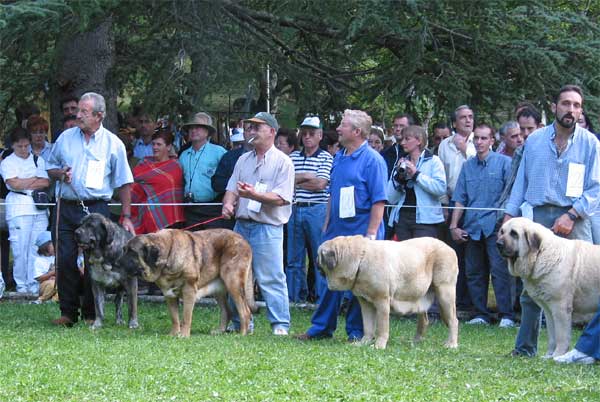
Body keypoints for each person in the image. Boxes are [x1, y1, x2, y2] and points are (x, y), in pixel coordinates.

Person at [505, 85, 600, 357]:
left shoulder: (590, 143)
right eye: (566, 104)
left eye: (577, 105)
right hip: (536, 220)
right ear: (555, 107)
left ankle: (583, 350)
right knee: (531, 289)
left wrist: (571, 215)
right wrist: (511, 215)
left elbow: (596, 188)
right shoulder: (534, 141)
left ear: (581, 110)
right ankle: (525, 348)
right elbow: (520, 182)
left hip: (575, 216)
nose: (571, 110)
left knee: (589, 280)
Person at [295, 109, 387, 342]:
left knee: (361, 285)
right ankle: (321, 328)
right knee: (328, 281)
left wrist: (372, 234)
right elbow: (332, 195)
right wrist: (327, 225)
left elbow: (379, 201)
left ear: (356, 132)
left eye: (343, 125)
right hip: (337, 233)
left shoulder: (373, 160)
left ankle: (357, 333)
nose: (337, 129)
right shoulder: (339, 156)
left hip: (362, 233)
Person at [46, 92, 134, 327]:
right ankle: (67, 312)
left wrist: (126, 215)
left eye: (84, 112)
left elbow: (125, 182)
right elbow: (50, 168)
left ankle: (90, 313)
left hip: (96, 211)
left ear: (99, 115)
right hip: (66, 207)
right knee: (64, 260)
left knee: (94, 261)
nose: (78, 115)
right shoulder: (65, 137)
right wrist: (60, 174)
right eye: (79, 111)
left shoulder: (113, 144)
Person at [222, 112, 294, 336]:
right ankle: (241, 323)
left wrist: (254, 195)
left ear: (272, 132)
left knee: (271, 277)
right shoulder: (243, 159)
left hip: (268, 228)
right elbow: (231, 188)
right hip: (241, 227)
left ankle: (280, 325)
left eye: (257, 128)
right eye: (249, 127)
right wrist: (228, 204)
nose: (250, 132)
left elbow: (282, 198)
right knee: (235, 276)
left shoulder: (283, 162)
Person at [450, 124, 515, 327]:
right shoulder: (468, 166)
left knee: (500, 272)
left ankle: (507, 315)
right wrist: (453, 226)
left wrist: (505, 225)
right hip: (472, 226)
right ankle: (481, 314)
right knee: (474, 272)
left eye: (484, 138)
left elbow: (511, 196)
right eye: (476, 138)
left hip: (496, 226)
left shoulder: (505, 163)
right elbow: (459, 198)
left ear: (492, 141)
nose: (479, 142)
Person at [287, 116, 333, 303]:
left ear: (320, 135)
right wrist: (306, 176)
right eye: (304, 133)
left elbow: (321, 184)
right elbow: (283, 181)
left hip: (317, 209)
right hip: (295, 208)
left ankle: (322, 298)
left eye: (312, 133)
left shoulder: (326, 157)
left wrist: (294, 181)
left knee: (319, 257)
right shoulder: (292, 156)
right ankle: (295, 298)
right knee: (293, 258)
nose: (307, 137)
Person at [0, 127, 50, 294]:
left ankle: (34, 282)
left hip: (38, 207)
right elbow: (13, 184)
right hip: (18, 207)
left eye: (26, 146)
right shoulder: (8, 162)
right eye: (19, 146)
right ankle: (21, 285)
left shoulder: (37, 160)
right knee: (20, 248)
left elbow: (45, 182)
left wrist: (24, 181)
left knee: (36, 247)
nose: (23, 150)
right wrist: (34, 179)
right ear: (13, 146)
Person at [438, 104, 477, 313]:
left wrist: (465, 150)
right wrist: (444, 205)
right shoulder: (444, 145)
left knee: (473, 254)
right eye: (463, 117)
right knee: (454, 253)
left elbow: (480, 164)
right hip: (453, 202)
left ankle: (472, 301)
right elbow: (443, 176)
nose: (468, 120)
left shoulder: (478, 142)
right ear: (455, 122)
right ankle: (456, 300)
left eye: (470, 117)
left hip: (475, 203)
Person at [387, 125, 446, 240]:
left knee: (423, 256)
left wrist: (416, 175)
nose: (402, 142)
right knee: (404, 256)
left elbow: (440, 189)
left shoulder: (434, 161)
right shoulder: (401, 163)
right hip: (402, 217)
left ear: (419, 141)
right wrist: (399, 178)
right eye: (402, 139)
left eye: (407, 139)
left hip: (426, 220)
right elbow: (390, 198)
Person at [130, 129, 184, 234]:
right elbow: (132, 184)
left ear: (168, 147)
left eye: (159, 144)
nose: (155, 147)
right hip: (143, 214)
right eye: (153, 144)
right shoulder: (144, 162)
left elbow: (172, 191)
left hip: (169, 216)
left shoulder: (175, 166)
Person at [179, 112, 226, 230]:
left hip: (213, 208)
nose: (193, 130)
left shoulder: (219, 152)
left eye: (198, 127)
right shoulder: (183, 155)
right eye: (191, 128)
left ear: (207, 132)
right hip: (190, 209)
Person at [32, 230, 58, 304]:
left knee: (63, 288)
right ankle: (41, 299)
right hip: (45, 285)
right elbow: (39, 278)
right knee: (52, 285)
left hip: (57, 282)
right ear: (45, 246)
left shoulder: (58, 257)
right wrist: (52, 273)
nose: (56, 246)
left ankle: (52, 301)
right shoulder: (39, 260)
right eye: (53, 244)